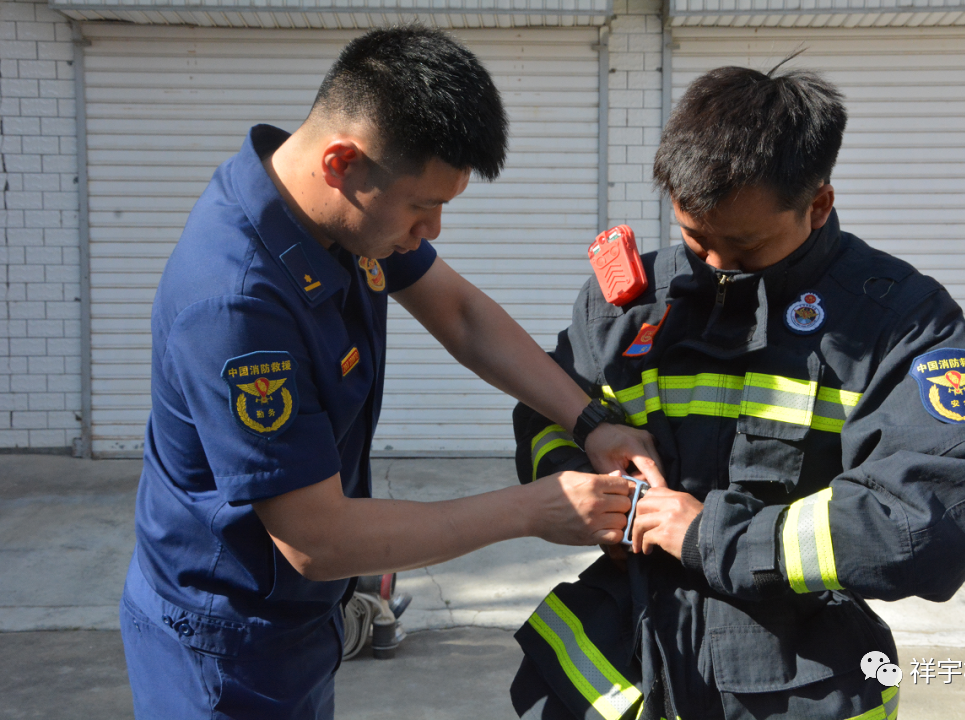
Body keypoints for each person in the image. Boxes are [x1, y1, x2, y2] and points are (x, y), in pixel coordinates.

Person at [119, 26, 665, 720]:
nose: (432, 230)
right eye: (421, 206)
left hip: (299, 620)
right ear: (341, 162)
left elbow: (462, 316)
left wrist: (589, 422)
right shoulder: (236, 303)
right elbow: (317, 540)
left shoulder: (332, 211)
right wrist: (535, 508)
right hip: (224, 646)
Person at [509, 64, 965, 720]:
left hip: (797, 683)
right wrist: (589, 491)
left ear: (818, 205)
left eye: (743, 245)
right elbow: (545, 410)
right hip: (615, 666)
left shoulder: (898, 321)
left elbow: (931, 519)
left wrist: (716, 537)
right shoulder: (624, 304)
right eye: (694, 237)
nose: (716, 267)